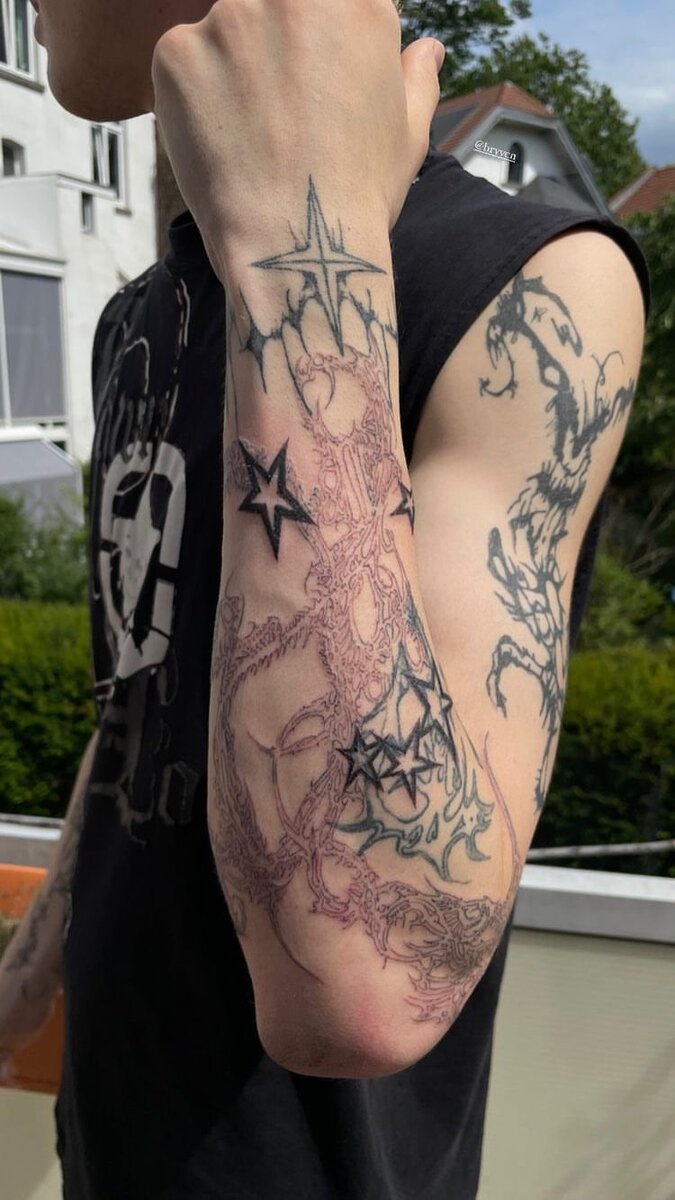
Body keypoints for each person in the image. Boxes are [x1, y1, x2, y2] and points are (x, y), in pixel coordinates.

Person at [0, 1, 650, 1197]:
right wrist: (29, 970)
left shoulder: (528, 286)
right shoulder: (134, 320)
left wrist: (293, 257)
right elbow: (137, 697)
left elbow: (371, 985)